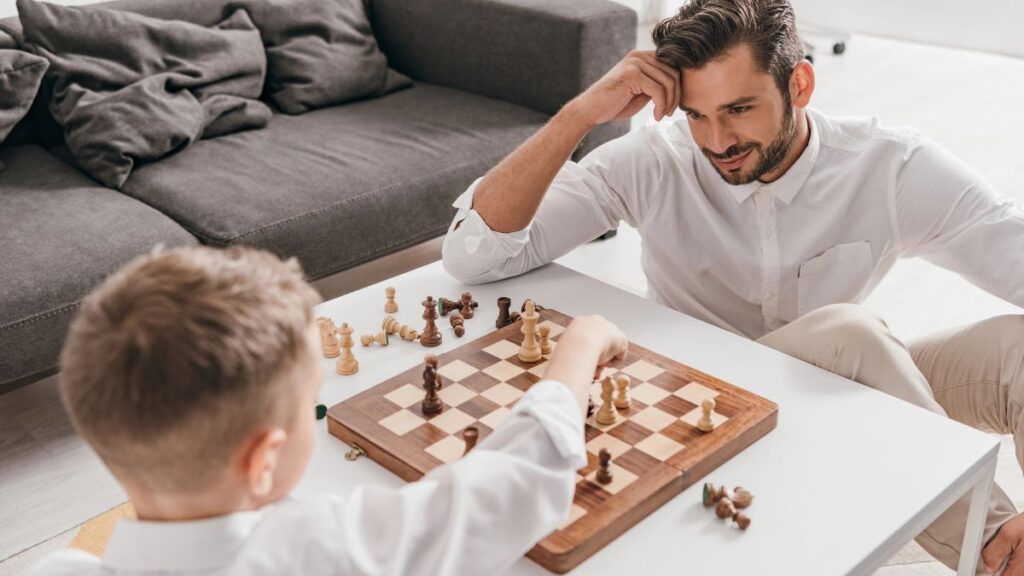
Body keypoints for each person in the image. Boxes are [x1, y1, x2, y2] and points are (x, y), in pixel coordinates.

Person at [441, 0, 1024, 573]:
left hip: (830, 394)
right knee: (853, 332)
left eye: (739, 109)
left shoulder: (889, 167)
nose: (717, 140)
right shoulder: (653, 162)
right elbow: (476, 257)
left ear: (799, 84)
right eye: (697, 114)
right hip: (702, 412)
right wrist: (581, 116)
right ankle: (996, 549)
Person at [25, 246, 627, 576]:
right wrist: (575, 350)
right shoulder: (327, 550)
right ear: (263, 458)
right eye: (311, 403)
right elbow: (506, 491)